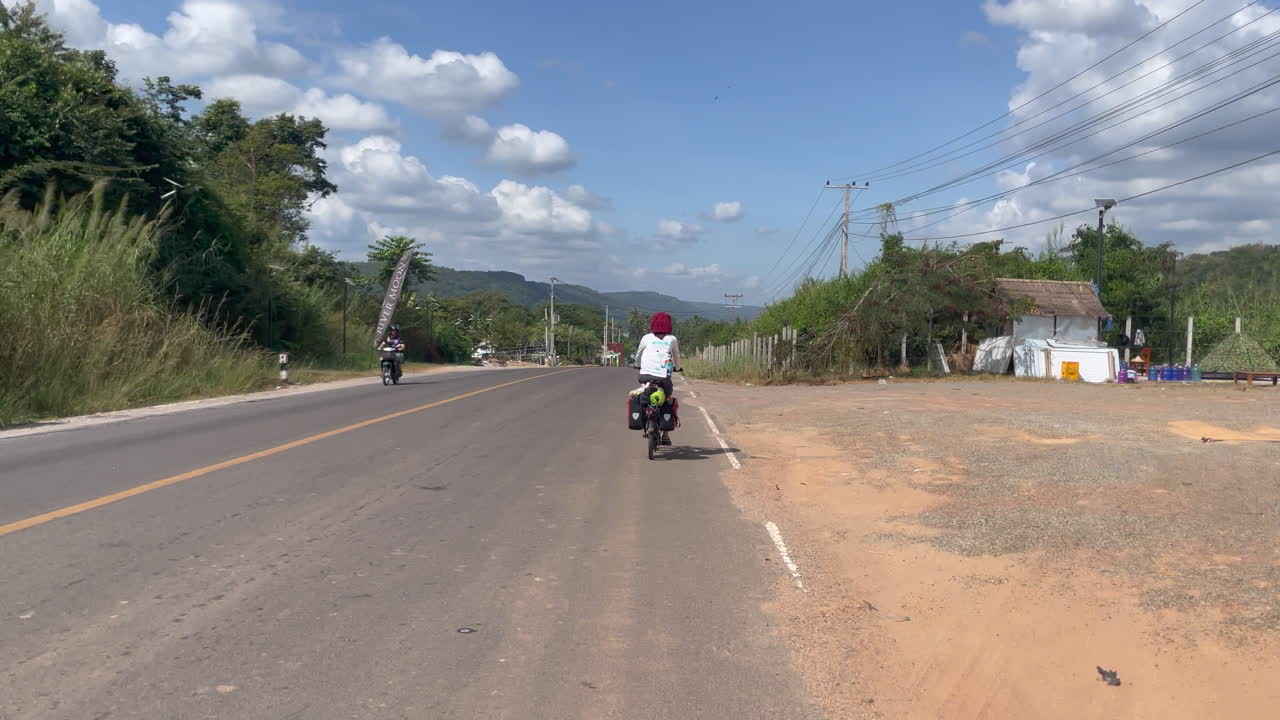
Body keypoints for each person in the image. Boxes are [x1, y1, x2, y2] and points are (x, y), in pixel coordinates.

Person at [636, 312, 681, 445]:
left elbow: (638, 354)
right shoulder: (672, 339)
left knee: (645, 391)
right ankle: (665, 435)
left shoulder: (646, 338)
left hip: (645, 375)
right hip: (663, 378)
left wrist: (638, 365)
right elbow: (676, 356)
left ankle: (644, 413)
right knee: (666, 398)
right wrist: (678, 368)